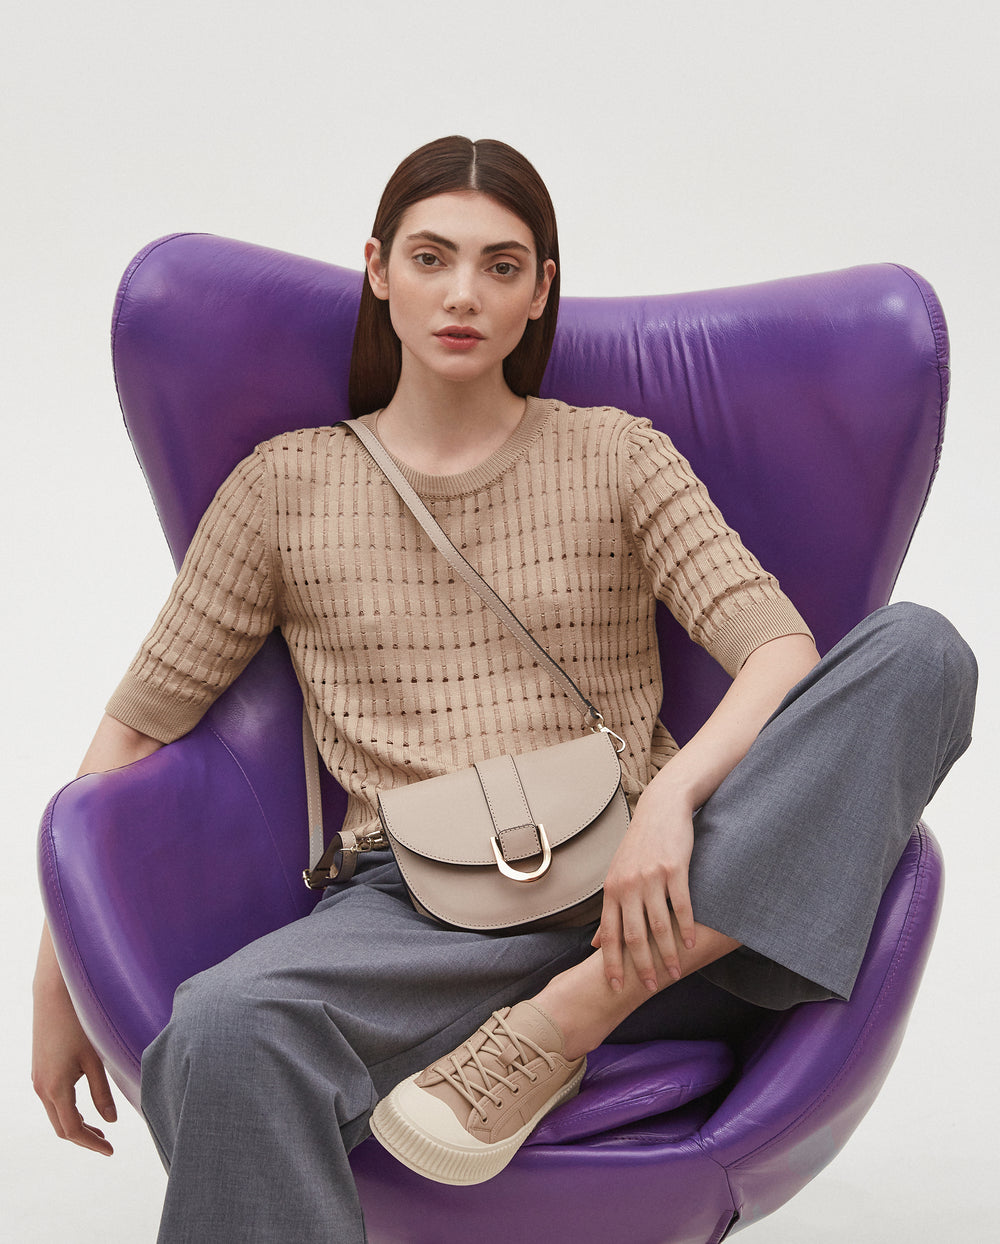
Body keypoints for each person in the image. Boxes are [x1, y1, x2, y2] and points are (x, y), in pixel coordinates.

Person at [32, 136, 976, 1238]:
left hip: (657, 896)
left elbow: (779, 651)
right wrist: (59, 985)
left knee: (920, 649)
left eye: (502, 265)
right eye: (431, 258)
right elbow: (135, 732)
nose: (463, 294)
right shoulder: (285, 487)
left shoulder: (617, 453)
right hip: (415, 914)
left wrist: (671, 805)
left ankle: (571, 1016)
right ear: (378, 270)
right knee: (221, 1026)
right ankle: (539, 1022)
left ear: (540, 292)